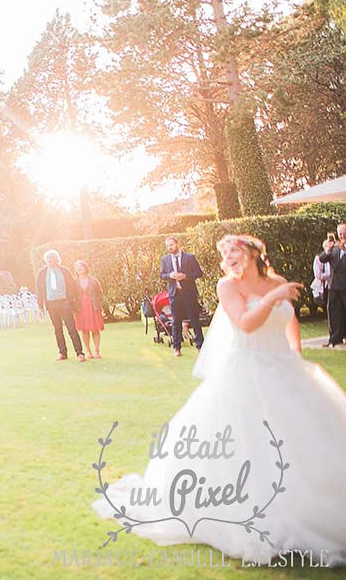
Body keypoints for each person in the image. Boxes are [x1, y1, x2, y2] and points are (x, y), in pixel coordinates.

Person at [94, 234, 346, 565]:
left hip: (285, 368)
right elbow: (244, 325)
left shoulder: (276, 281)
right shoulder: (228, 288)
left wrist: (296, 354)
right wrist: (271, 298)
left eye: (235, 251)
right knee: (254, 445)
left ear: (255, 253)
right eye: (225, 253)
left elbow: (290, 320)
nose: (229, 257)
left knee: (308, 436)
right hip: (247, 372)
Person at [35, 250, 85, 362]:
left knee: (71, 328)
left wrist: (68, 300)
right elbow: (39, 290)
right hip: (51, 304)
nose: (49, 260)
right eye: (47, 258)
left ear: (56, 259)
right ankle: (63, 353)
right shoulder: (42, 273)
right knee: (57, 329)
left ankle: (80, 353)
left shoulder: (64, 271)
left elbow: (72, 286)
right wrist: (40, 307)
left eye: (51, 257)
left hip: (64, 303)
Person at [159, 236, 205, 356]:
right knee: (176, 321)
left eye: (171, 245)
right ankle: (177, 347)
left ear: (177, 244)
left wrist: (185, 276)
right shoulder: (165, 260)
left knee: (194, 320)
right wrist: (170, 275)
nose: (170, 247)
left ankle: (200, 345)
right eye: (168, 246)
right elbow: (162, 275)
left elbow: (198, 273)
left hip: (189, 293)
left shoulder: (190, 257)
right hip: (175, 294)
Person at [318, 224, 346, 347]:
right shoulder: (334, 249)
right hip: (335, 285)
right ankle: (335, 338)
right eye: (340, 234)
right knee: (334, 312)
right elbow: (322, 258)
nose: (342, 236)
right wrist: (327, 250)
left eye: (344, 233)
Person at [73, 261, 105, 359]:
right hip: (80, 308)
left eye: (81, 266)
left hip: (93, 307)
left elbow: (100, 293)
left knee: (95, 329)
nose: (79, 268)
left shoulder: (93, 281)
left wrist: (97, 304)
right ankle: (88, 351)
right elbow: (72, 295)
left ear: (85, 267)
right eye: (77, 267)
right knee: (84, 330)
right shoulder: (74, 282)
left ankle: (97, 350)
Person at [313, 240, 333, 316]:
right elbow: (318, 275)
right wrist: (330, 274)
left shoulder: (335, 256)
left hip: (335, 284)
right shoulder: (319, 258)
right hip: (324, 286)